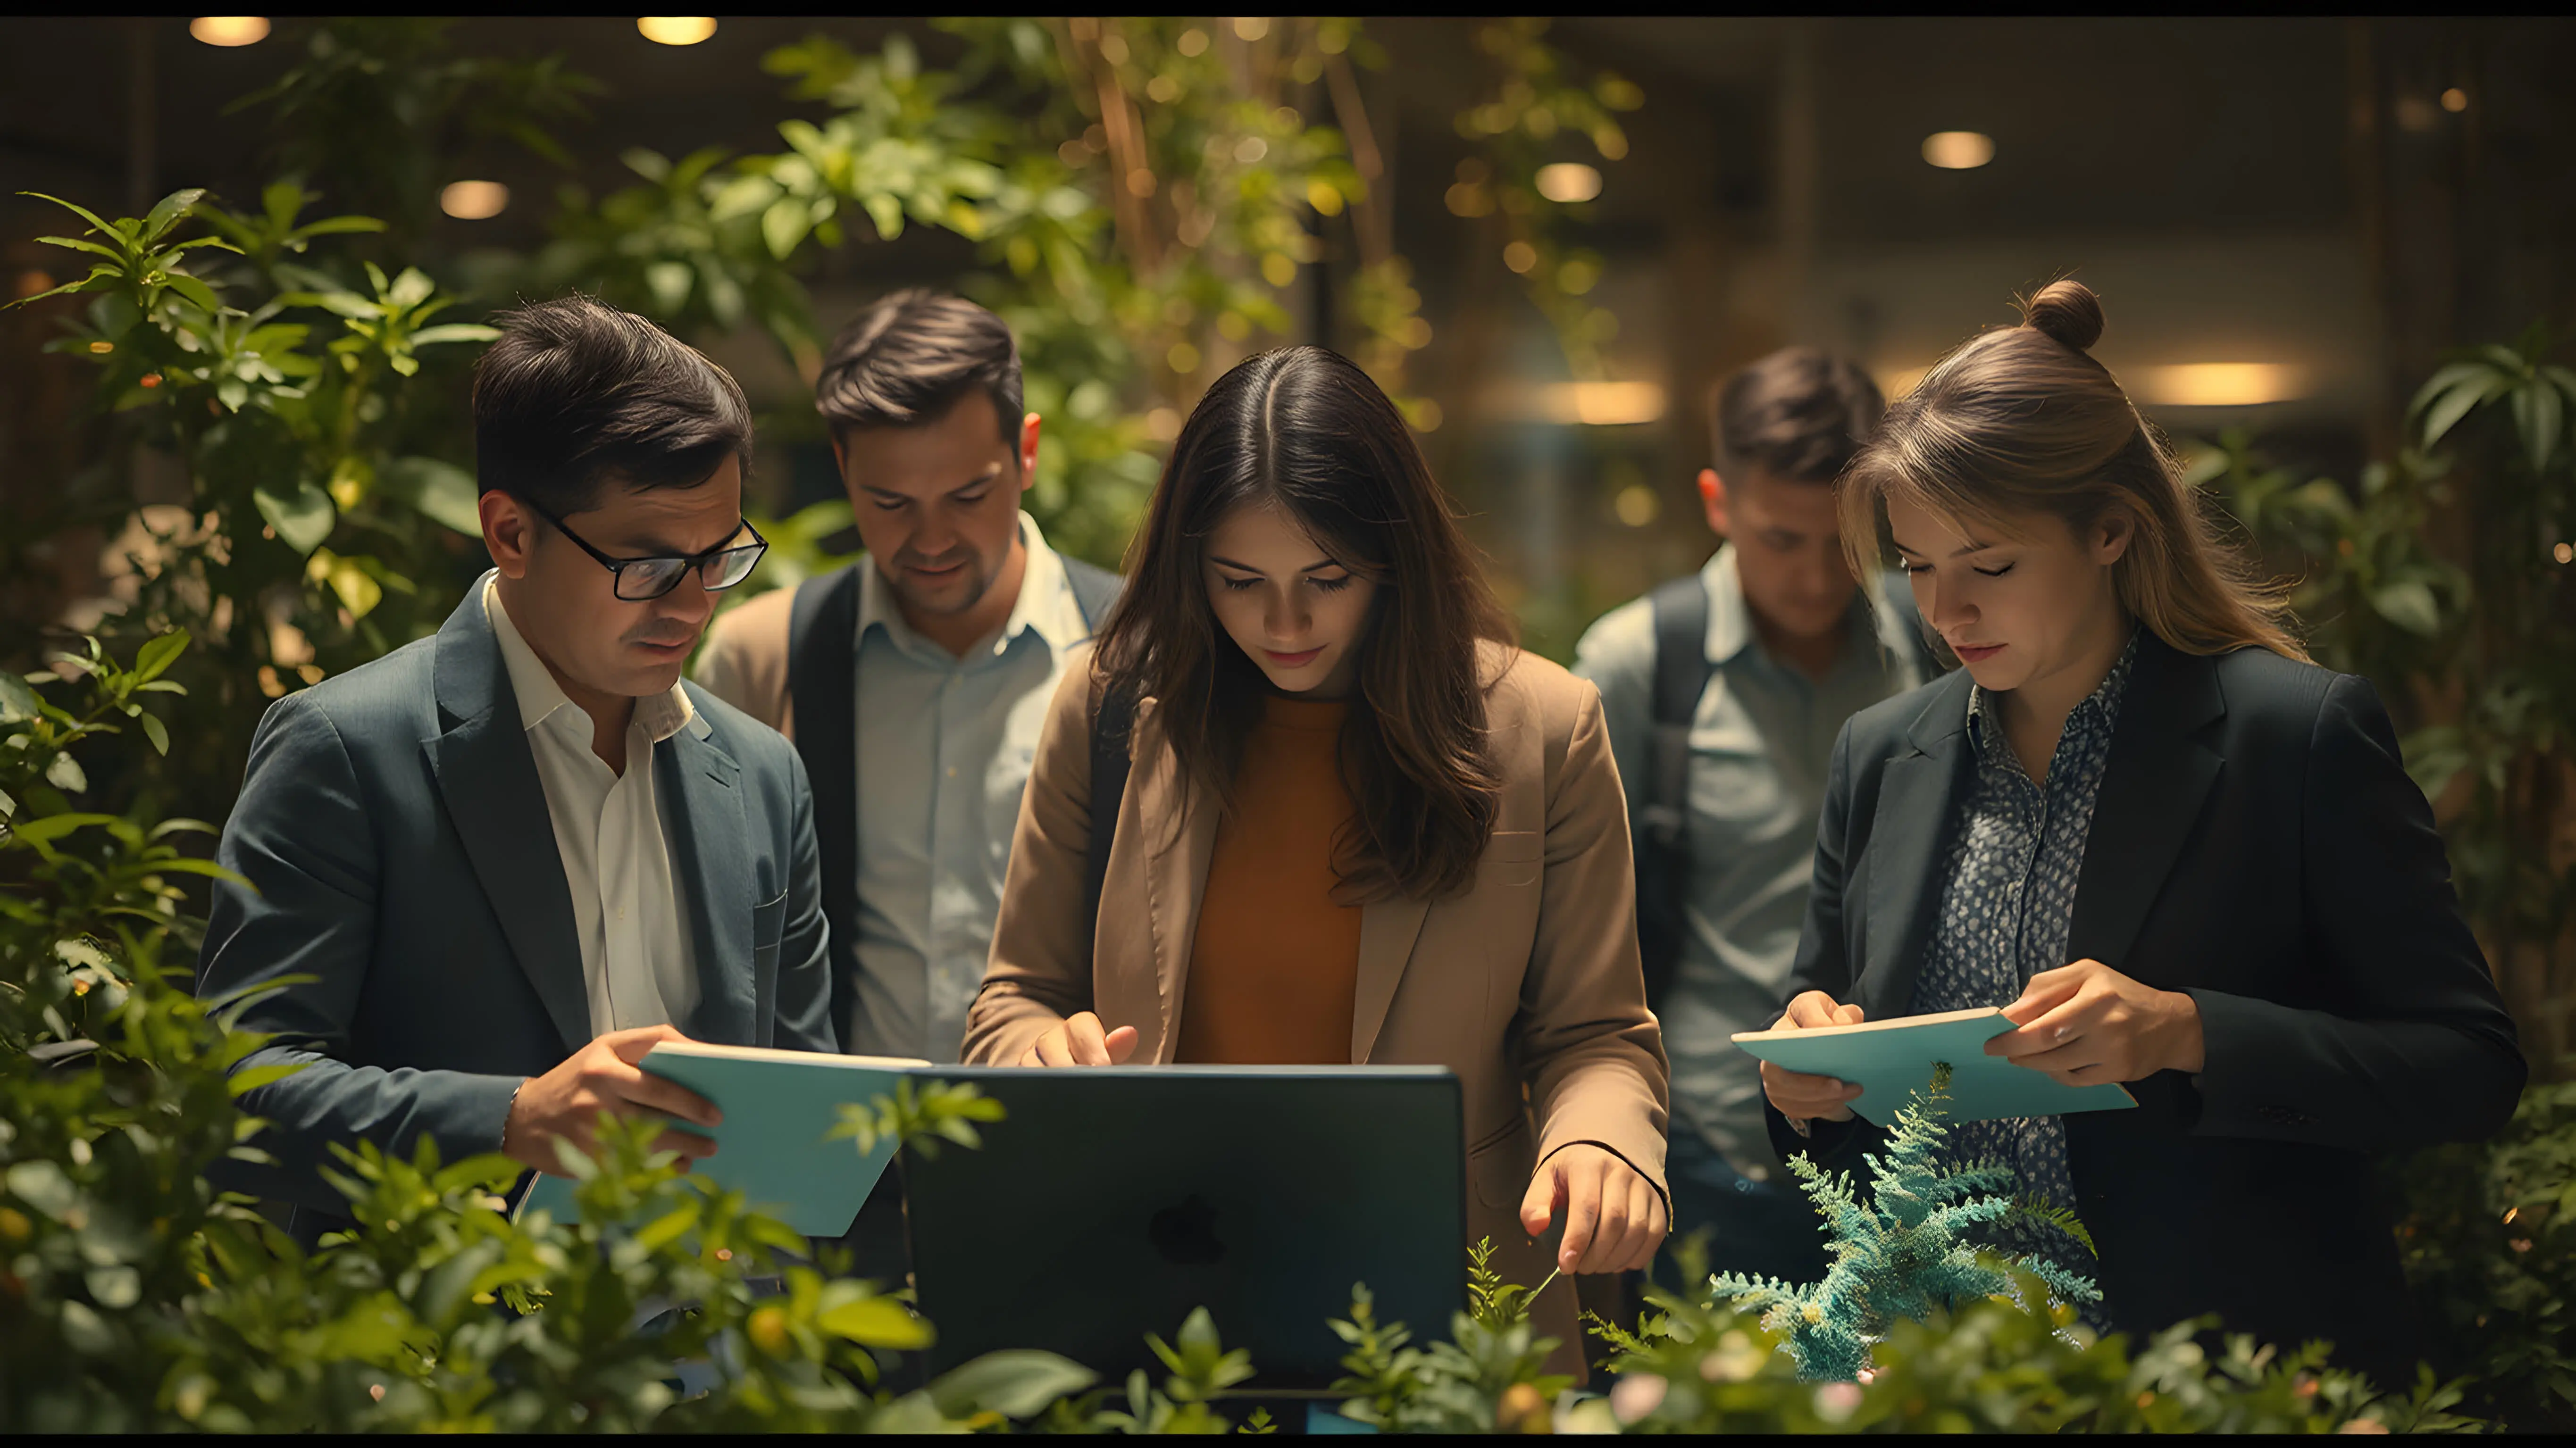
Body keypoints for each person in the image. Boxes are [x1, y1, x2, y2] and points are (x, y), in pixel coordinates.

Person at [1757, 280, 2526, 1386]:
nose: (1945, 613)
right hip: (1937, 1369)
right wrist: (1801, 1076)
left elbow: (2469, 1069)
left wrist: (2187, 1031)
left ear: (2113, 527)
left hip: (2222, 1372)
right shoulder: (1883, 753)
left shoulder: (2292, 734)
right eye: (1918, 566)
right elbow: (1824, 1064)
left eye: (1991, 564)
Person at [961, 344, 1672, 1381]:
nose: (1282, 623)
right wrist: (1040, 1055)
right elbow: (1015, 996)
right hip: (1153, 1288)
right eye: (1239, 580)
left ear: (1395, 556)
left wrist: (1602, 1143)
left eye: (1326, 579)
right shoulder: (1111, 707)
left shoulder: (1542, 727)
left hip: (1449, 1286)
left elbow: (1597, 1031)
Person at [198, 296, 836, 1242]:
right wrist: (511, 1121)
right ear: (510, 534)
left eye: (721, 557)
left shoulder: (763, 772)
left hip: (719, 1353)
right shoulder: (347, 747)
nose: (696, 604)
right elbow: (236, 1091)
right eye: (652, 563)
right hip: (438, 1358)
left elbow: (800, 1096)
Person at [1573, 346, 1931, 1291]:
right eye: (1782, 538)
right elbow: (1573, 934)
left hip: (1922, 1141)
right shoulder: (1640, 662)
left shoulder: (1942, 640)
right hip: (1710, 1142)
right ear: (1718, 501)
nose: (1818, 577)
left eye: (1847, 540)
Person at [693, 289, 1121, 1064]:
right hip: (844, 1154)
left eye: (967, 496)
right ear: (843, 469)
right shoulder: (763, 658)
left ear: (1027, 452)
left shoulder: (1135, 657)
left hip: (1073, 1134)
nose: (931, 539)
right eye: (889, 501)